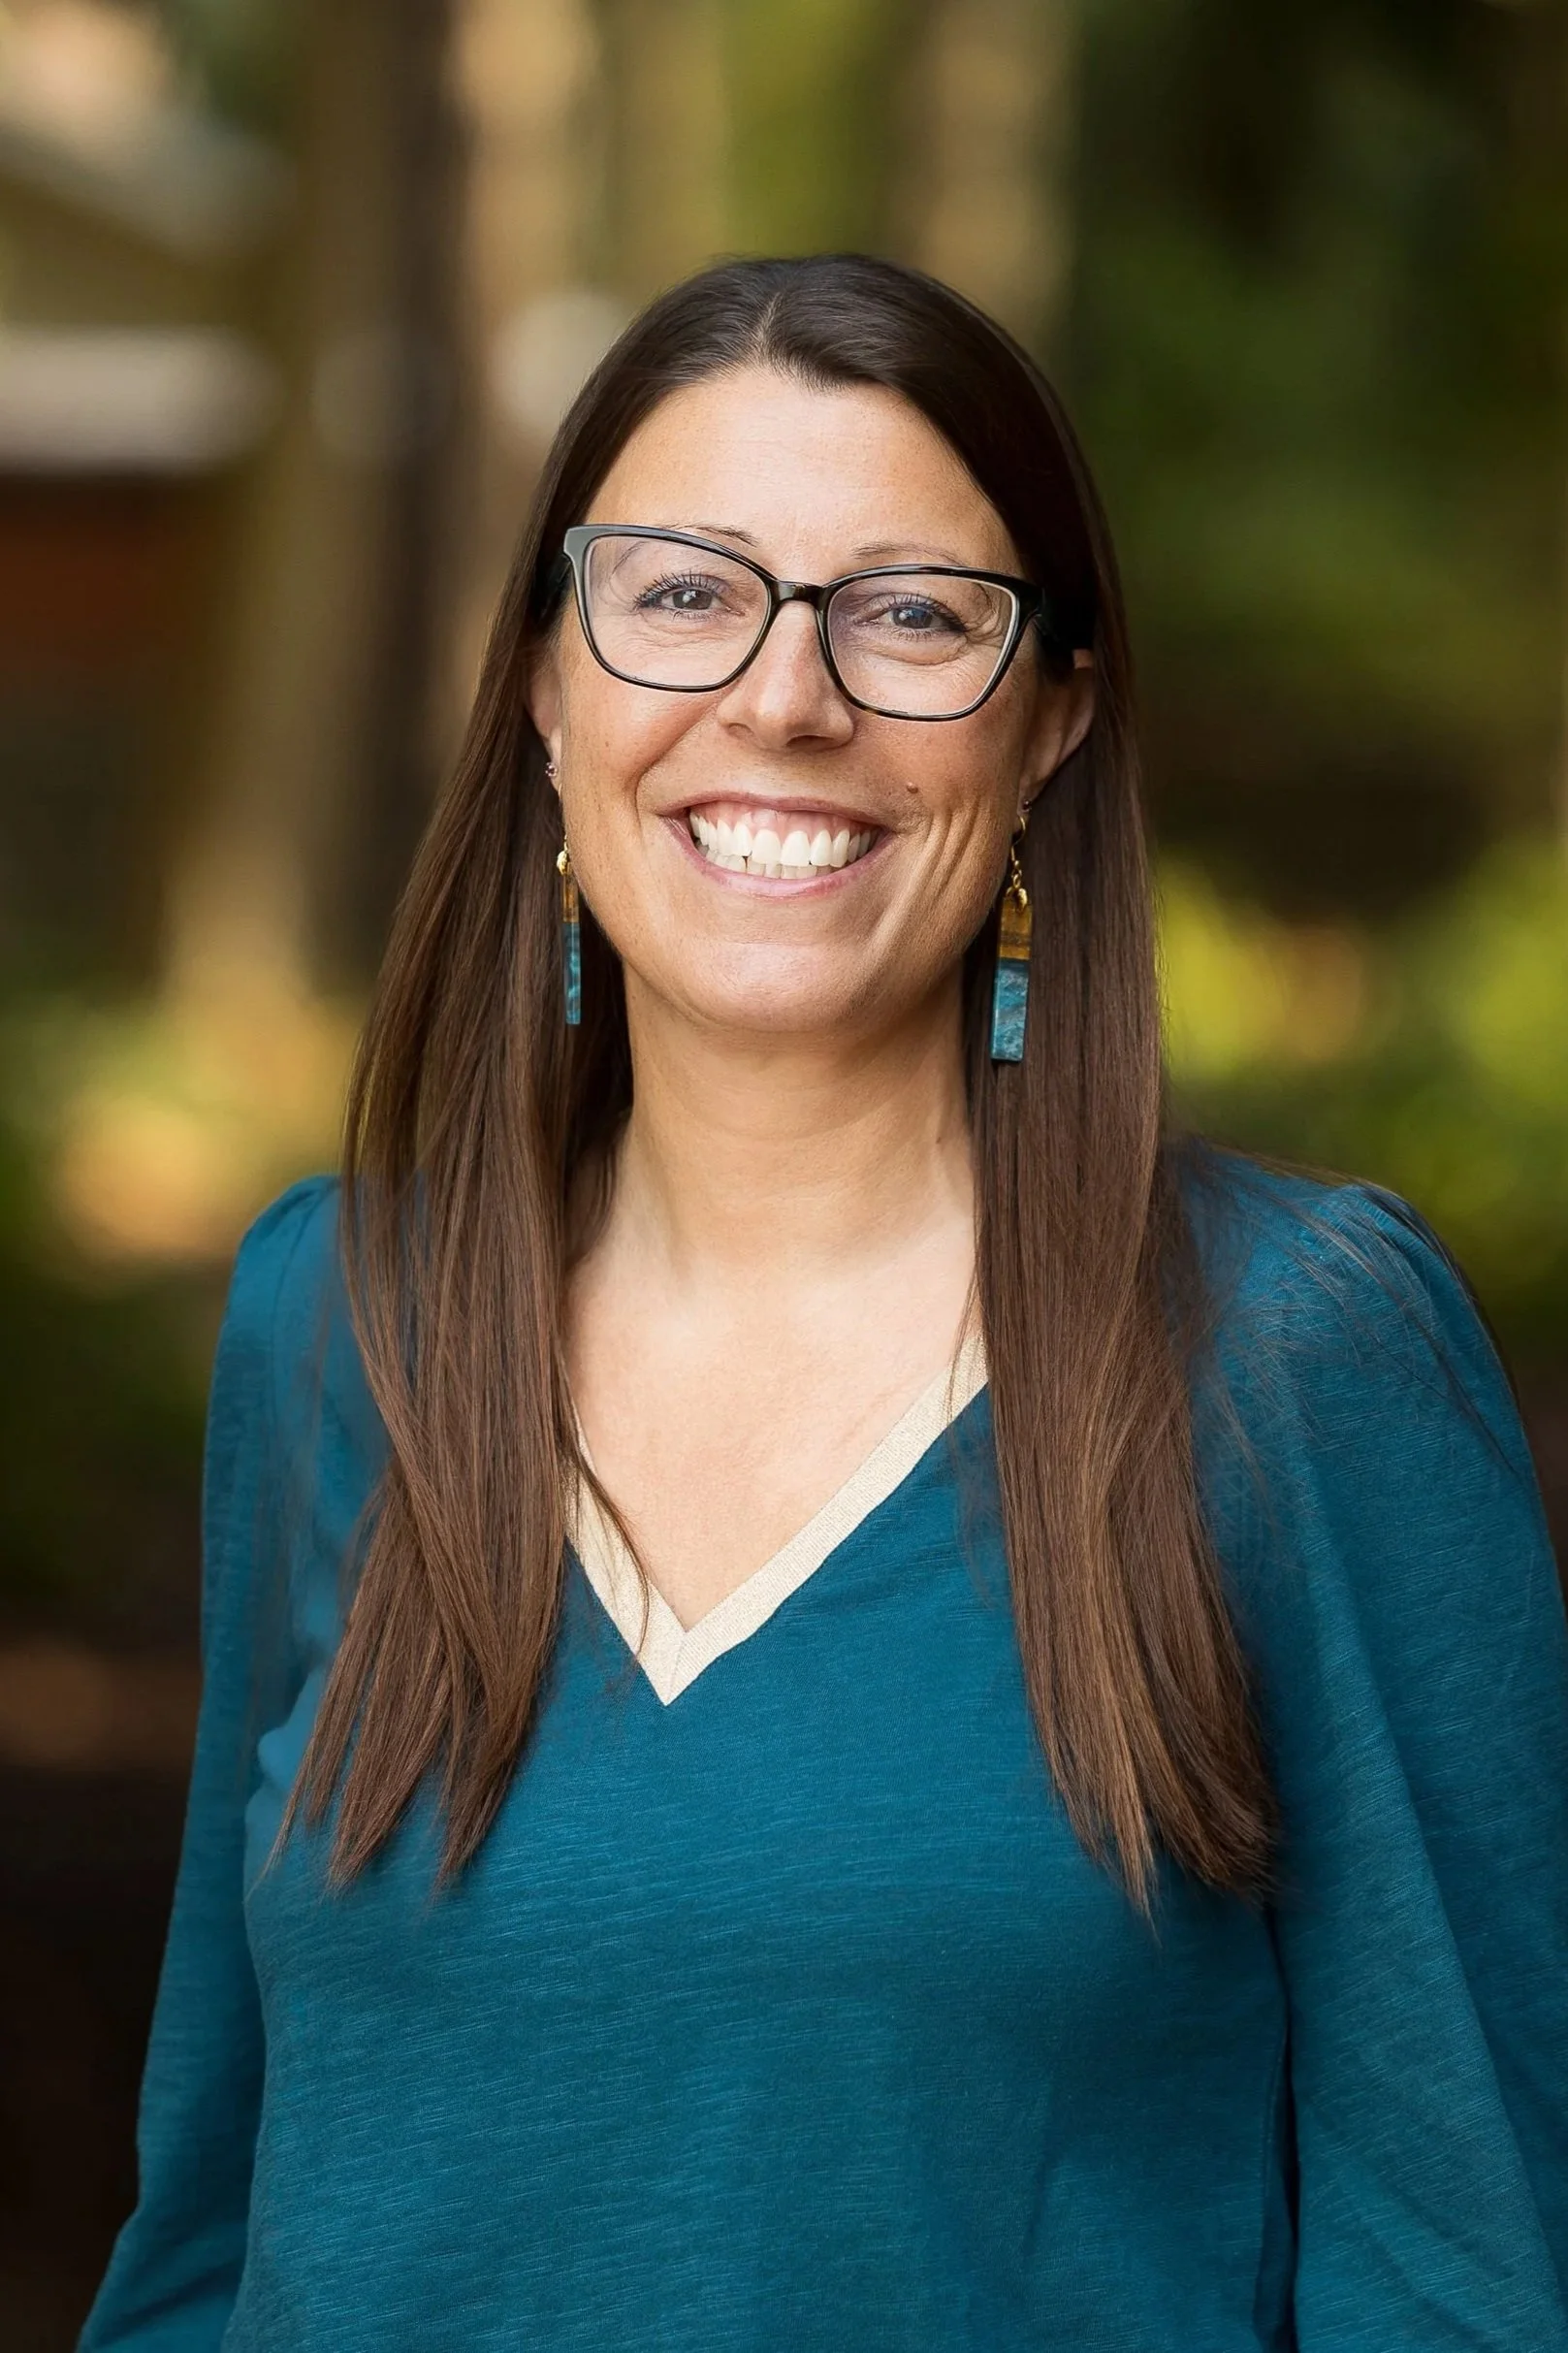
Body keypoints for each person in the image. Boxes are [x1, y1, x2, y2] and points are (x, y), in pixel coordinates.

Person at [81, 255, 1568, 2353]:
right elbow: (211, 2230)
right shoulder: (340, 1319)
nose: (784, 698)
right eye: (681, 593)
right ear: (541, 684)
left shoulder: (1294, 1357)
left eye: (911, 615)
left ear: (1054, 719)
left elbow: (1467, 2275)